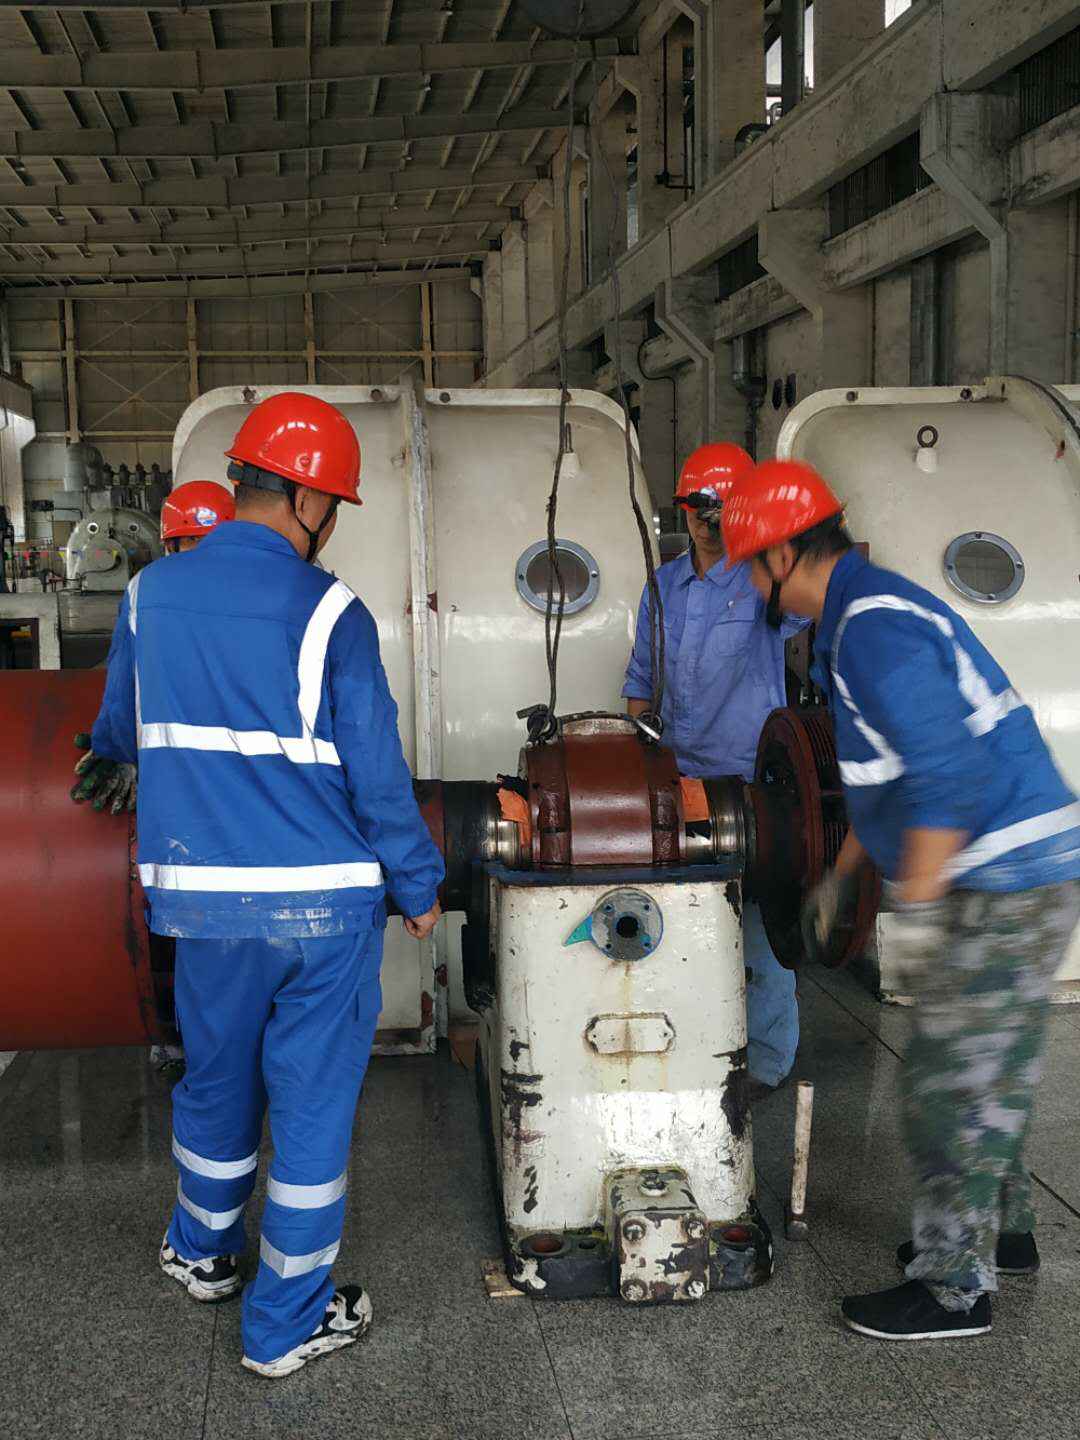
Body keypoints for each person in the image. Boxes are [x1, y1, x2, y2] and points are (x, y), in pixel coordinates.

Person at [84, 392, 445, 1377]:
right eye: (334, 506)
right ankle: (285, 1322)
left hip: (206, 907)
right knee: (312, 1111)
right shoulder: (331, 611)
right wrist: (419, 885)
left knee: (217, 1080)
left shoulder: (149, 594)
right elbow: (376, 774)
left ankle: (203, 1252)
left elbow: (119, 730)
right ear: (308, 500)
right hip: (324, 911)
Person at [721, 457, 1080, 1341]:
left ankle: (954, 1291)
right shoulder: (862, 617)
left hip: (1004, 878)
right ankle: (1004, 1236)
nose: (750, 586)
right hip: (1018, 867)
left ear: (781, 555)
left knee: (949, 1082)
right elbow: (886, 775)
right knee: (987, 1066)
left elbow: (947, 773)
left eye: (750, 567)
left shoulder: (872, 626)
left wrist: (917, 901)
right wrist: (844, 871)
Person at [623, 442, 806, 1095]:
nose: (708, 521)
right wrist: (641, 759)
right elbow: (640, 681)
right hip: (678, 780)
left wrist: (771, 534)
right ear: (682, 510)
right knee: (683, 918)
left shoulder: (764, 583)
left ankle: (766, 1059)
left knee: (755, 925)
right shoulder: (663, 587)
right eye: (698, 508)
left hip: (749, 782)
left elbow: (810, 602)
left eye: (722, 509)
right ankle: (691, 1043)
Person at [72, 481, 237, 1075]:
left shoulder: (148, 591)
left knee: (205, 975)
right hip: (271, 828)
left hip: (188, 833)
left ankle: (191, 1047)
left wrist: (115, 752)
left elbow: (124, 696)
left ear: (168, 543)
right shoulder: (280, 592)